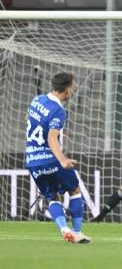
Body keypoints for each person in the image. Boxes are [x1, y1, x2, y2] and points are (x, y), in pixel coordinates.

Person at [25, 71, 91, 243]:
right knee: (75, 191)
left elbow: (28, 118)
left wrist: (59, 133)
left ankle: (64, 230)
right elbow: (51, 137)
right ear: (68, 89)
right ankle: (76, 232)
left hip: (32, 160)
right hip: (51, 159)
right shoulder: (58, 110)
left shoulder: (37, 100)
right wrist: (63, 160)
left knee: (53, 196)